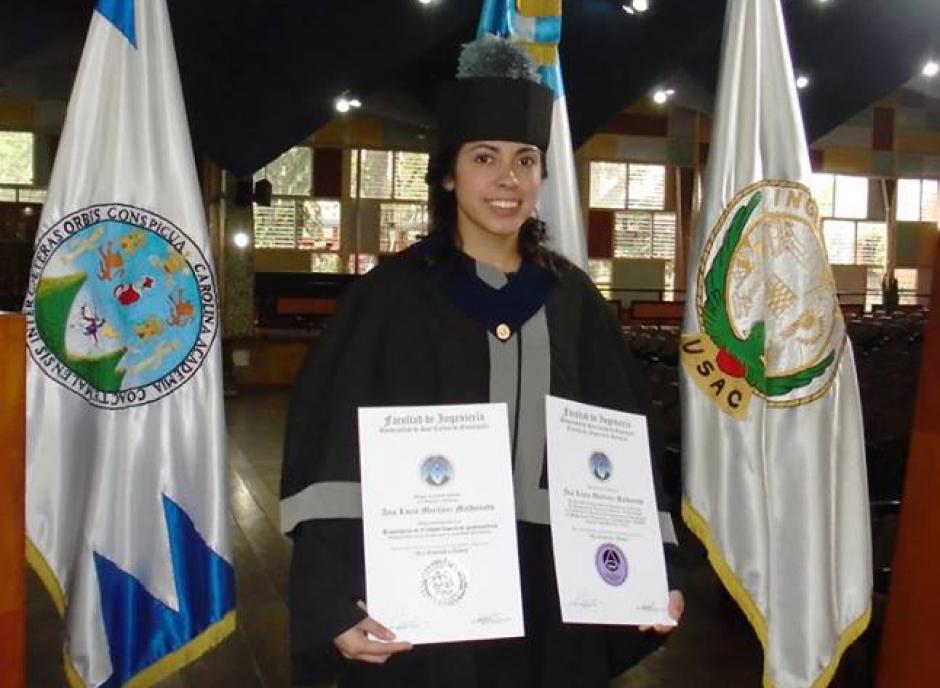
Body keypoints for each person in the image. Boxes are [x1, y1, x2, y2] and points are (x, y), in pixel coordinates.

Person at [280, 36, 684, 688]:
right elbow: (332, 454)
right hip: (429, 595)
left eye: (526, 160)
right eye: (485, 158)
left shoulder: (572, 299)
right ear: (448, 174)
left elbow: (625, 446)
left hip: (556, 597)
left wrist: (649, 572)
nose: (508, 179)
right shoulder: (389, 299)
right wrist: (332, 597)